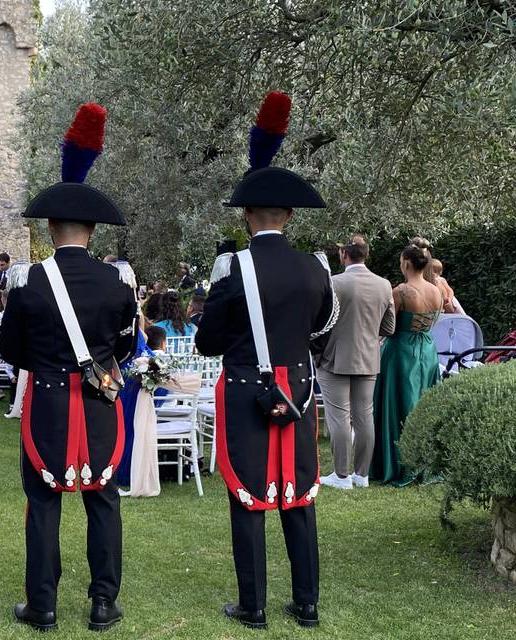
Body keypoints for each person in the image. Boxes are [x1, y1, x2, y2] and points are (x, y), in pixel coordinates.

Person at [195, 92, 337, 630]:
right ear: (290, 216)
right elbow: (323, 326)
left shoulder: (231, 268)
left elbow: (207, 342)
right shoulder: (315, 268)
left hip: (245, 390)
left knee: (248, 496)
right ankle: (307, 604)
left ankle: (252, 606)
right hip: (297, 388)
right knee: (299, 497)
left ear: (249, 217)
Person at [0, 103, 137, 633]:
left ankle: (44, 605)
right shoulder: (116, 284)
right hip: (101, 399)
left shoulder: (29, 283)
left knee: (43, 502)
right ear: (92, 232)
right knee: (102, 499)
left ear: (51, 228)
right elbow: (125, 347)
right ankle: (104, 603)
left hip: (49, 403)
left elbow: (11, 350)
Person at [315, 235, 396, 490]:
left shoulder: (334, 283)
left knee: (339, 417)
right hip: (369, 357)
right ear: (366, 255)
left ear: (343, 255)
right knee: (364, 416)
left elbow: (319, 322)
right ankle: (362, 475)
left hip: (335, 357)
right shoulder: (384, 285)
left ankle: (341, 476)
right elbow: (390, 327)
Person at [369, 238, 442, 487]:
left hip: (401, 351)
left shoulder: (400, 291)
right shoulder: (437, 291)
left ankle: (398, 463)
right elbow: (435, 321)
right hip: (428, 349)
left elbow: (386, 327)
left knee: (398, 404)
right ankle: (424, 461)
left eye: (402, 261)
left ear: (407, 263)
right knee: (424, 403)